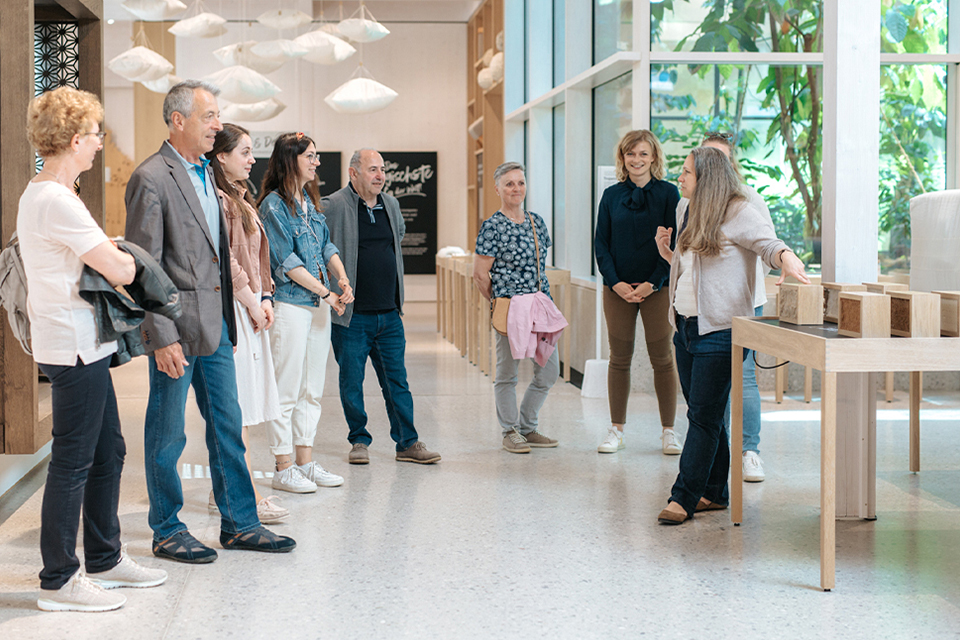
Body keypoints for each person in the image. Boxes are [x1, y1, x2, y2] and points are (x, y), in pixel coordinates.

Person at [125, 80, 296, 562]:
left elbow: (219, 259)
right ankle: (166, 529)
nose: (218, 125)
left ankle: (240, 522)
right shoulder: (151, 177)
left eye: (218, 116)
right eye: (209, 117)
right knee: (168, 433)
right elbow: (144, 267)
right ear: (178, 120)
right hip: (175, 330)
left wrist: (232, 317)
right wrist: (160, 336)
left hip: (217, 329)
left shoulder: (207, 175)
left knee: (228, 425)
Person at [21, 87, 167, 612]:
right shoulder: (55, 200)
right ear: (76, 138)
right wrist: (122, 254)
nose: (101, 144)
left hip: (84, 345)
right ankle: (59, 580)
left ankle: (105, 558)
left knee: (109, 452)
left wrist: (113, 251)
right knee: (73, 461)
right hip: (73, 347)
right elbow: (123, 269)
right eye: (97, 135)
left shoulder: (50, 195)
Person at [653, 147, 808, 525]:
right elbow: (694, 269)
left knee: (703, 417)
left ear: (707, 177)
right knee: (705, 414)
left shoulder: (738, 210)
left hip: (722, 331)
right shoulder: (687, 210)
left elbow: (767, 245)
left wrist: (787, 257)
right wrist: (668, 254)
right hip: (686, 327)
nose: (681, 177)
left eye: (687, 172)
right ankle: (715, 492)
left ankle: (684, 496)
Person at [323, 149, 441, 465]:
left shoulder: (391, 204)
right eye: (373, 169)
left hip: (389, 313)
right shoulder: (333, 205)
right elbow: (322, 247)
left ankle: (407, 443)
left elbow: (397, 236)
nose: (380, 176)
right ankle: (359, 441)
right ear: (353, 173)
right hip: (352, 317)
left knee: (397, 381)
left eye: (383, 170)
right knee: (351, 381)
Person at [257, 132, 350, 492]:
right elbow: (286, 262)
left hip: (318, 304)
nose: (316, 162)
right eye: (310, 156)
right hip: (292, 304)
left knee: (312, 388)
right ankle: (283, 467)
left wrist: (341, 278)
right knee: (286, 387)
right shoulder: (274, 205)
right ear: (290, 159)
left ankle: (305, 461)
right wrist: (326, 291)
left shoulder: (309, 202)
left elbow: (326, 245)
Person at [205, 123, 287, 522]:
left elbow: (259, 258)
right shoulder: (217, 199)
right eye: (245, 152)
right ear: (222, 156)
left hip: (252, 306)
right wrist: (253, 302)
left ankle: (226, 490)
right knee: (234, 408)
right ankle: (242, 496)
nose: (253, 160)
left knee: (245, 406)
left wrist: (267, 296)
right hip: (235, 308)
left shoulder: (241, 197)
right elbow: (225, 260)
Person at [594, 130, 682, 456]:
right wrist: (615, 281)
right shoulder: (611, 196)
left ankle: (669, 432)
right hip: (616, 288)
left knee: (663, 359)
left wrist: (654, 282)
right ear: (623, 157)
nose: (637, 160)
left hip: (656, 288)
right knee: (619, 359)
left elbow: (676, 246)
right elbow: (601, 244)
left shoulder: (670, 194)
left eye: (643, 154)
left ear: (654, 158)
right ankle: (616, 429)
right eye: (631, 154)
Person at [473, 162, 562, 453]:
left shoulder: (536, 222)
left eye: (520, 183)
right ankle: (510, 431)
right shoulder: (492, 226)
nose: (516, 189)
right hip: (510, 309)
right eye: (509, 184)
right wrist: (501, 304)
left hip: (539, 305)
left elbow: (541, 265)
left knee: (549, 371)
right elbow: (480, 275)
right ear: (497, 188)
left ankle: (528, 426)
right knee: (507, 373)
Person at [702, 132, 772, 483]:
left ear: (731, 164)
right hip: (707, 310)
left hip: (744, 306)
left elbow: (769, 252)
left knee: (743, 380)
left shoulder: (749, 201)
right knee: (713, 386)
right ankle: (718, 453)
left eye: (721, 158)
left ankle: (750, 452)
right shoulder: (691, 203)